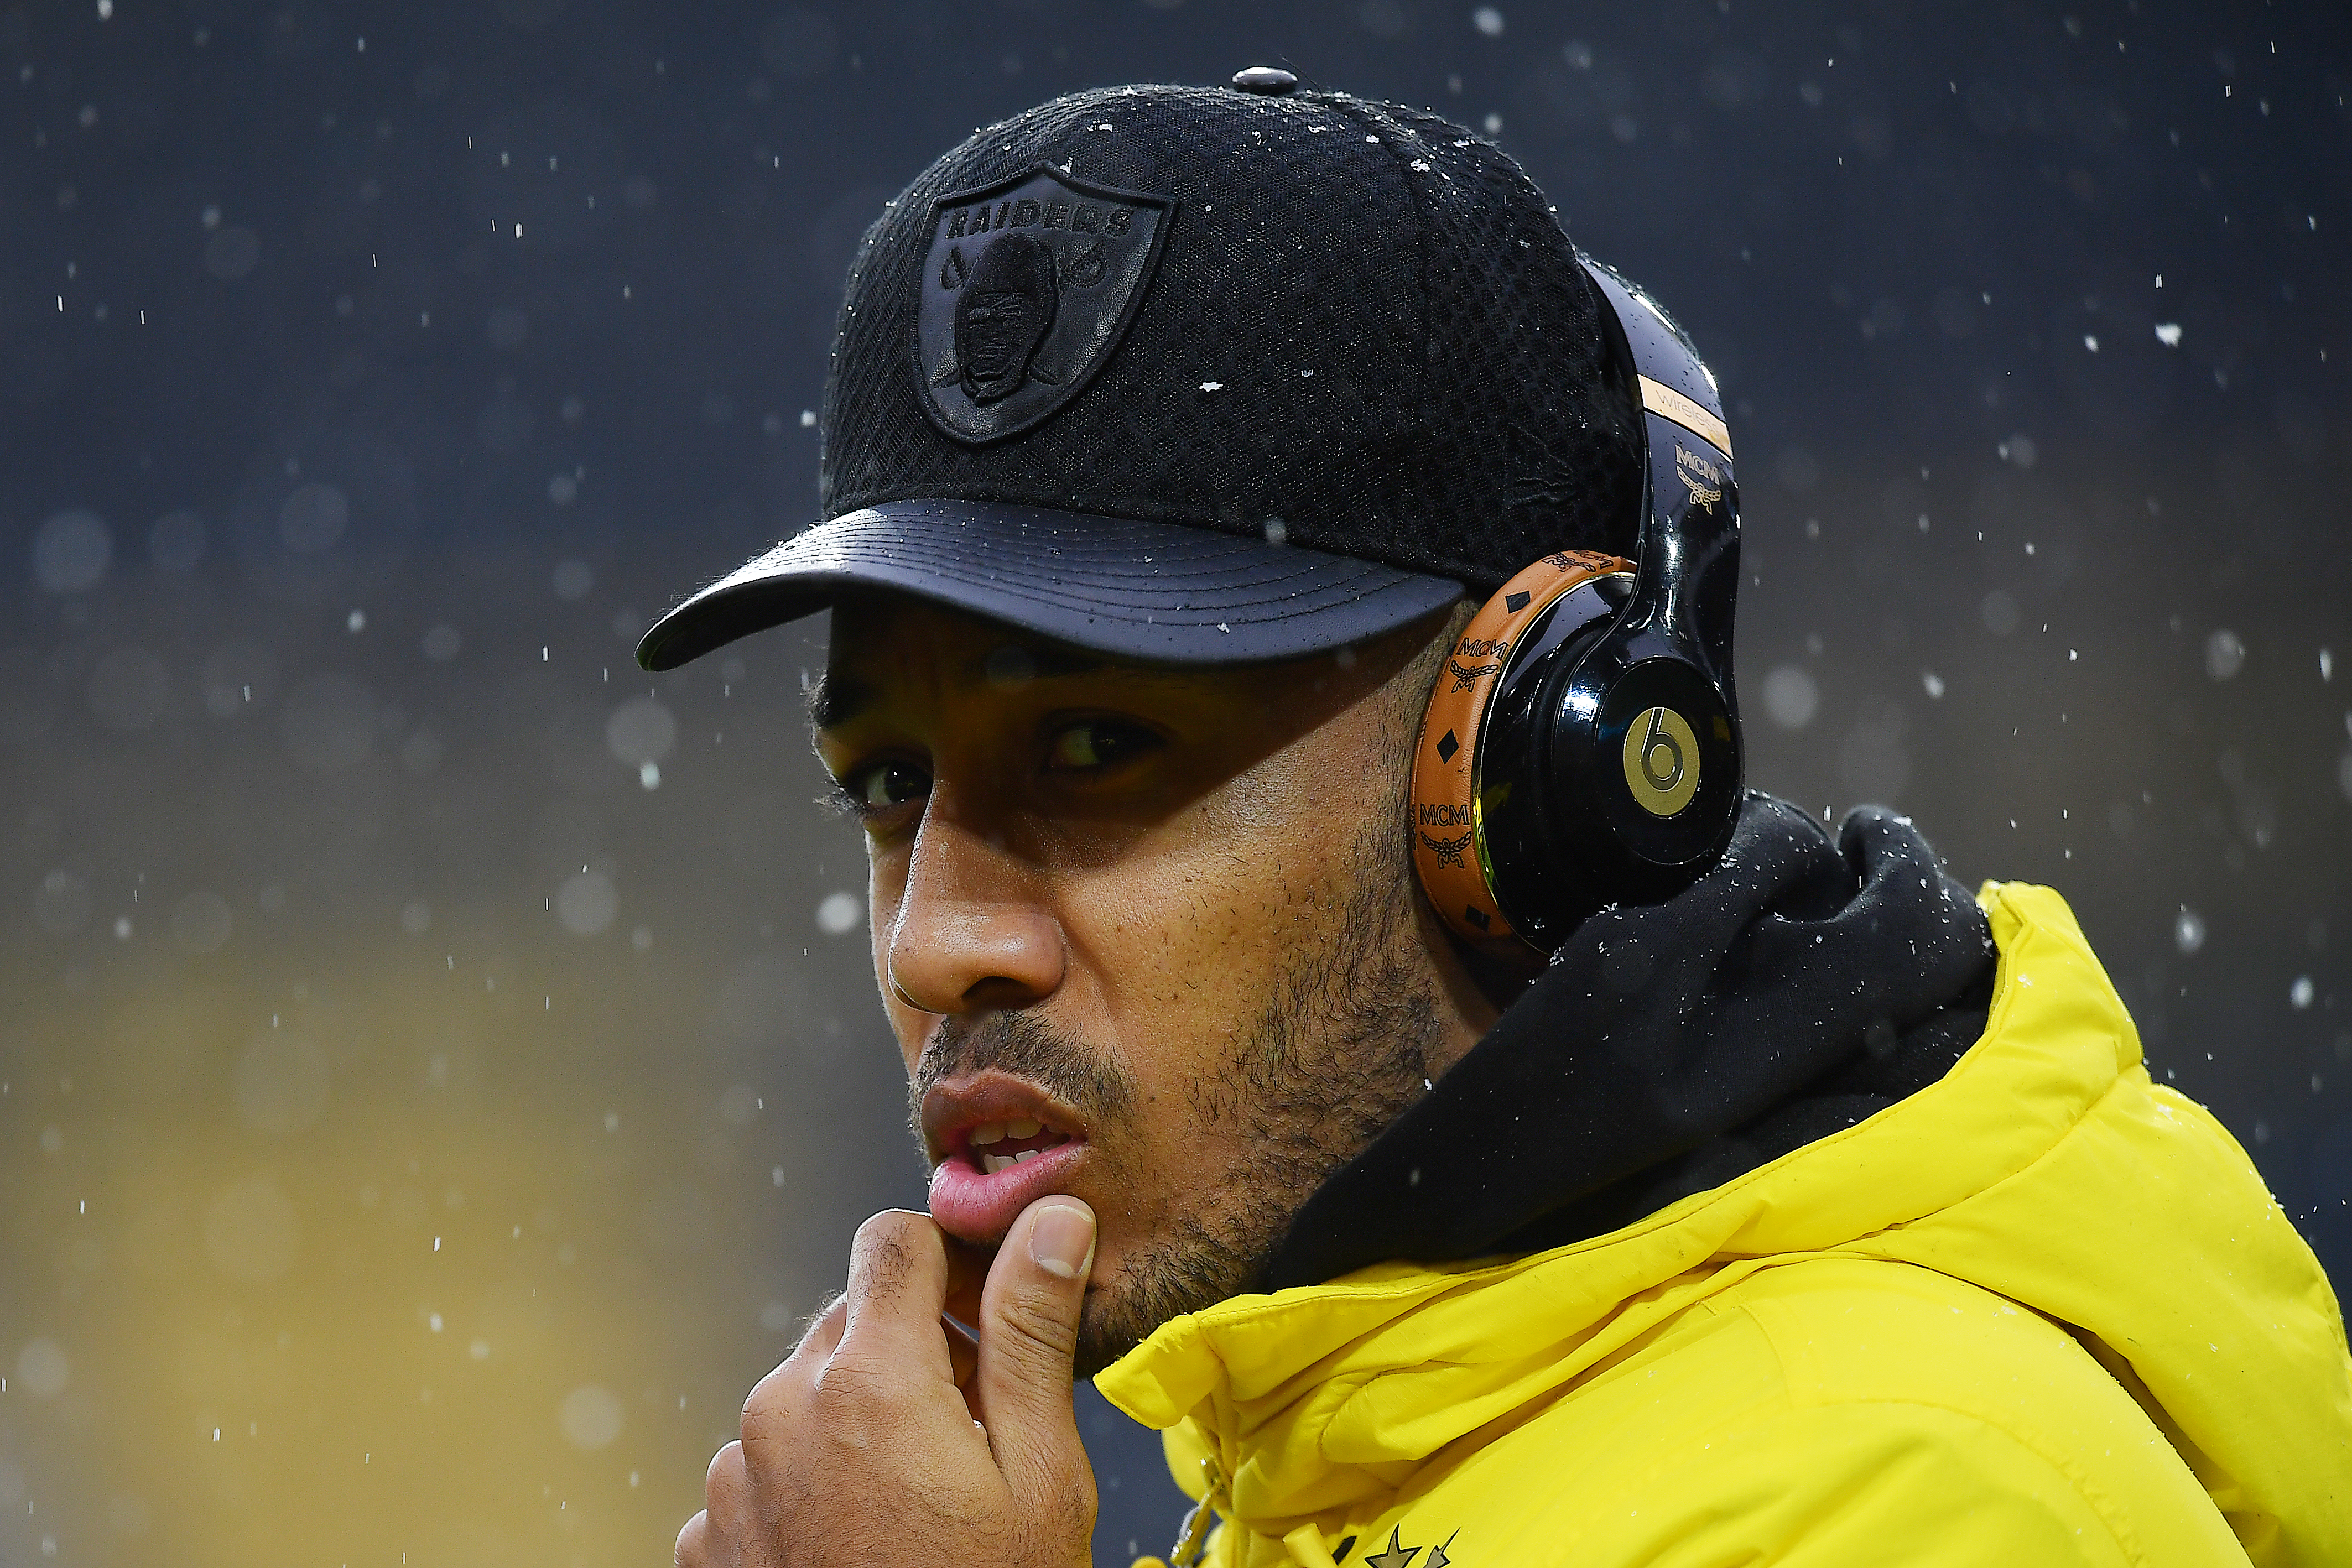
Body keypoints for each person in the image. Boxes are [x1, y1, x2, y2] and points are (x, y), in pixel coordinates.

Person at [651, 74, 2351, 1568]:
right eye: (888, 785)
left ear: (1540, 768)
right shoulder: (1324, 1458)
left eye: (1098, 745)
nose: (935, 935)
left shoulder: (1897, 1497)